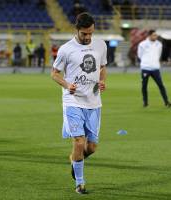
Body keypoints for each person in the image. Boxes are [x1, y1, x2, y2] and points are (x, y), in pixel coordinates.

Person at [51, 13, 107, 194]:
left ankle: (75, 161)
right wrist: (67, 85)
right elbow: (54, 73)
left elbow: (102, 67)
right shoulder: (66, 49)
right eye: (84, 34)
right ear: (77, 30)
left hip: (94, 102)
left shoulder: (101, 45)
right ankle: (80, 183)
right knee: (78, 141)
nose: (88, 37)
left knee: (91, 147)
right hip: (73, 101)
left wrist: (102, 81)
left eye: (90, 33)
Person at [137, 29, 171, 108]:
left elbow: (158, 55)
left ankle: (166, 102)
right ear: (149, 35)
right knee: (144, 86)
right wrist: (146, 61)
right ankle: (145, 103)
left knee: (161, 85)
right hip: (146, 68)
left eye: (156, 35)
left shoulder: (159, 44)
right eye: (154, 35)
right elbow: (140, 55)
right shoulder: (142, 44)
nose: (155, 36)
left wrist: (154, 62)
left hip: (155, 68)